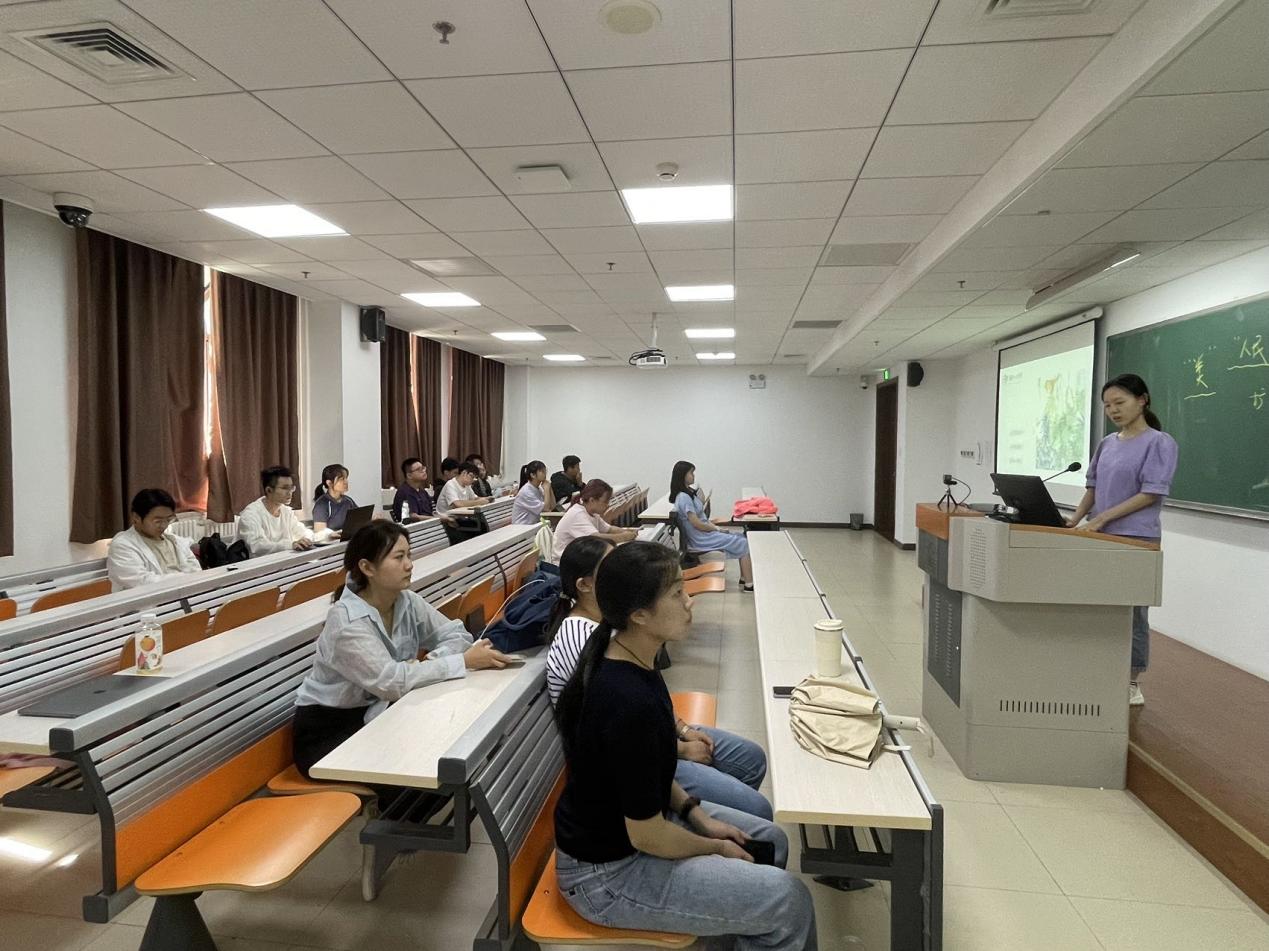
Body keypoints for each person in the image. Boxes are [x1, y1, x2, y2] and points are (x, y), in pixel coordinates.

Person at [552, 541, 816, 949]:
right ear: (639, 615)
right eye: (677, 593)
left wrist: (696, 814)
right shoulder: (625, 700)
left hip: (636, 832)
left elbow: (651, 773)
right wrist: (713, 846)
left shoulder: (633, 656)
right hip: (607, 876)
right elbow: (648, 836)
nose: (689, 601)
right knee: (789, 900)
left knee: (771, 841)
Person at [547, 536, 771, 818]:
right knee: (755, 808)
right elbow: (618, 735)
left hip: (651, 735)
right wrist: (681, 750)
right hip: (625, 764)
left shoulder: (612, 627)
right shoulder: (583, 640)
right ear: (584, 585)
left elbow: (646, 700)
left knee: (751, 758)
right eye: (609, 567)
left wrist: (683, 730)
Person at [292, 522, 513, 786]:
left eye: (409, 555)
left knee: (448, 742)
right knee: (420, 767)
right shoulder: (347, 622)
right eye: (399, 557)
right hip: (330, 731)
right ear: (367, 567)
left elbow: (456, 634)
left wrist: (429, 663)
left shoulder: (405, 600)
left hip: (381, 711)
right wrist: (460, 661)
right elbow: (392, 682)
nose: (409, 564)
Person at [1067, 374, 1178, 707]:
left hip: (1136, 539)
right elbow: (1093, 488)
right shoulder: (1107, 443)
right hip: (1100, 537)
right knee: (1098, 606)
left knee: (1132, 613)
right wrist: (1075, 519)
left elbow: (1150, 493)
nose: (1113, 410)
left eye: (1120, 402)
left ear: (1142, 400)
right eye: (1107, 405)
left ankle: (1131, 679)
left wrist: (1102, 518)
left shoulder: (1159, 442)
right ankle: (1100, 669)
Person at [670, 461, 754, 591]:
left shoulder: (688, 493)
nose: (693, 475)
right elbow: (697, 523)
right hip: (700, 538)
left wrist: (716, 528)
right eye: (691, 473)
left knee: (741, 538)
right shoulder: (683, 497)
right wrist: (716, 529)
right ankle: (749, 584)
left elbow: (701, 518)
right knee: (743, 543)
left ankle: (744, 578)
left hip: (703, 533)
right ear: (682, 475)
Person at [106, 489, 202, 591]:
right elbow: (142, 582)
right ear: (136, 517)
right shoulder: (123, 545)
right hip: (149, 599)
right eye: (158, 521)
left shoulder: (176, 541)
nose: (164, 525)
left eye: (168, 519)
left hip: (185, 594)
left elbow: (196, 571)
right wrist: (185, 578)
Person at [238, 466, 314, 555]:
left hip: (282, 560)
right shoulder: (251, 514)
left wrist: (307, 539)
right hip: (257, 562)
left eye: (291, 488)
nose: (290, 492)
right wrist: (290, 545)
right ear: (269, 490)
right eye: (285, 488)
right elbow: (257, 546)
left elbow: (301, 532)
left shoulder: (287, 512)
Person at [553, 479, 637, 552]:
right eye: (605, 501)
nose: (608, 505)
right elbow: (597, 540)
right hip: (565, 561)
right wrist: (625, 536)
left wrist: (628, 531)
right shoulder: (577, 514)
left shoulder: (593, 513)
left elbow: (609, 529)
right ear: (592, 500)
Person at [312, 463, 358, 534]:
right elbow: (319, 533)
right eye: (341, 479)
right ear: (329, 483)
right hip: (331, 540)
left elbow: (359, 519)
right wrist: (331, 535)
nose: (346, 482)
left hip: (347, 538)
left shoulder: (348, 501)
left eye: (346, 478)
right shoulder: (321, 505)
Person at [512, 460, 555, 526]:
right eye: (542, 471)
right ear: (533, 475)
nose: (545, 474)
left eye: (545, 471)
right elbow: (546, 509)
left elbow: (552, 506)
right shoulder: (526, 492)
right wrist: (546, 489)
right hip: (522, 526)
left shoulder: (538, 488)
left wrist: (549, 488)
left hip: (533, 525)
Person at [392, 457, 434, 522]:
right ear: (409, 475)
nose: (423, 471)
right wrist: (438, 519)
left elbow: (431, 512)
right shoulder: (404, 492)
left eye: (423, 468)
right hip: (415, 526)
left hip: (429, 524)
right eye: (419, 469)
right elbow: (412, 517)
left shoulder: (423, 491)